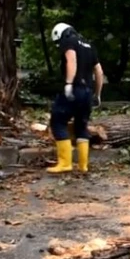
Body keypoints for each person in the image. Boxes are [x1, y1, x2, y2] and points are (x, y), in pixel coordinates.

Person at [46, 22, 104, 174]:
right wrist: (97, 94)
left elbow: (71, 60)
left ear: (61, 34)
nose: (60, 45)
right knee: (81, 126)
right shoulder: (89, 45)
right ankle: (83, 165)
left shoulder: (68, 40)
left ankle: (65, 163)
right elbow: (99, 71)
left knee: (58, 121)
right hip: (87, 92)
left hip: (75, 88)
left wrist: (69, 83)